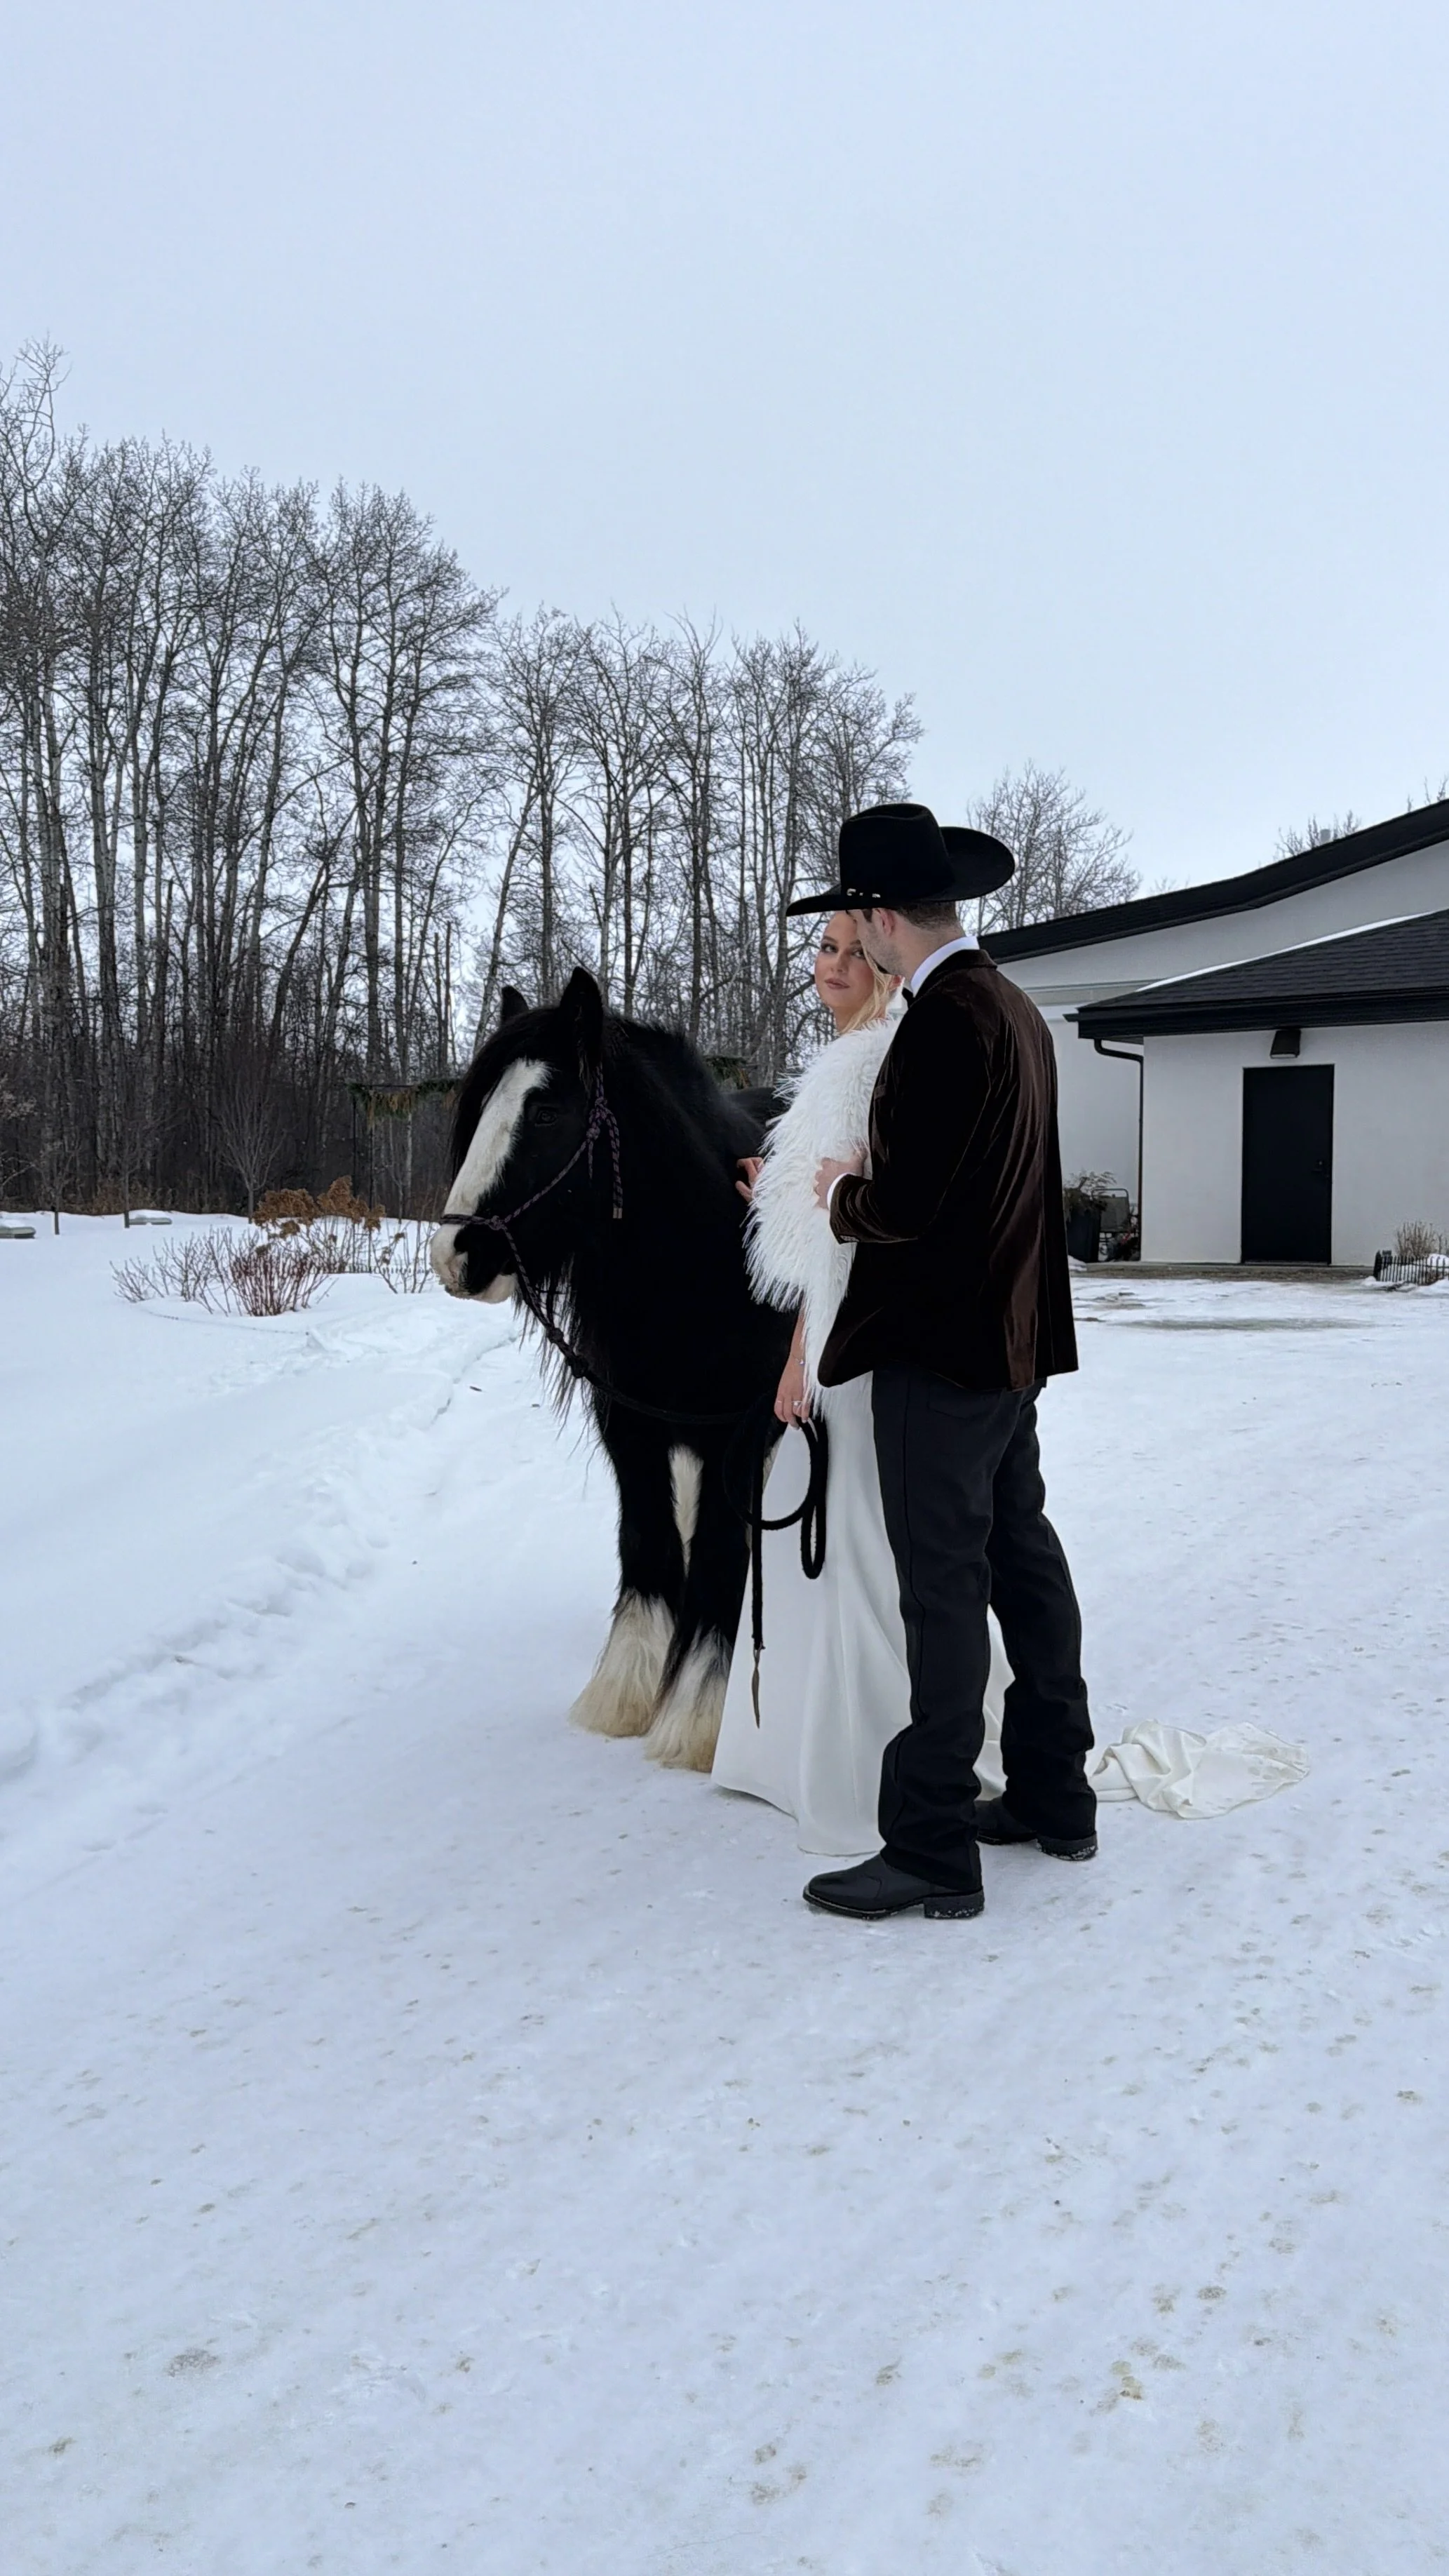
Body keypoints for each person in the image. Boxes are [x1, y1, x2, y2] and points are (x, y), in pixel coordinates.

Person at [790, 800, 1096, 1921]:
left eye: (849, 920)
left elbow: (912, 1203)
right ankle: (1055, 1796)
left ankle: (928, 1849)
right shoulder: (1008, 1004)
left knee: (944, 1589)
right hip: (1007, 1342)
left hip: (946, 1346)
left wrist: (836, 1192)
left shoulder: (947, 1017)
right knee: (1019, 1560)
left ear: (877, 918)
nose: (849, 941)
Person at [711, 907, 1009, 1854]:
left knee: (859, 1550)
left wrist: (800, 1358)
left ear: (884, 959)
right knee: (850, 1546)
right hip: (858, 1329)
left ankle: (874, 1768)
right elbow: (822, 1209)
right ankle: (830, 1753)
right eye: (822, 948)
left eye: (850, 949)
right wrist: (779, 1193)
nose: (831, 965)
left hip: (859, 1337)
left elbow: (855, 1233)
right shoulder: (847, 1058)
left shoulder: (870, 1059)